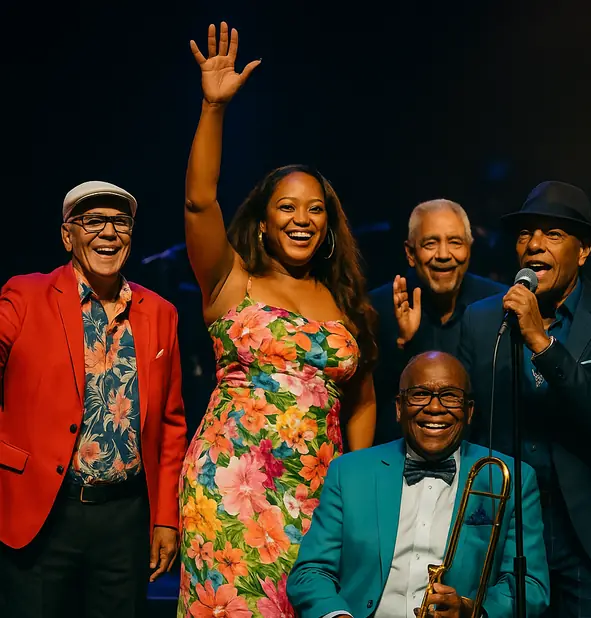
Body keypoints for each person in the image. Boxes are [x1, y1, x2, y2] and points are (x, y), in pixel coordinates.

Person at [177, 22, 378, 617]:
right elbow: (198, 202)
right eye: (286, 207)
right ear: (262, 221)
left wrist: (355, 489)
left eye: (315, 209)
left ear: (329, 225)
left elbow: (363, 399)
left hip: (319, 496)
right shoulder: (230, 282)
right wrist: (214, 108)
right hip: (230, 492)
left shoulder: (346, 304)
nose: (301, 218)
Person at [457, 181, 591, 618]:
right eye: (526, 234)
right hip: (508, 526)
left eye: (553, 235)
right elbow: (465, 418)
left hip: (589, 531)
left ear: (583, 252)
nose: (534, 245)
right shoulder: (483, 319)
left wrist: (542, 344)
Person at [0, 181, 187, 617]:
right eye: (92, 221)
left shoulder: (160, 312)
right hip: (42, 511)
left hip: (124, 519)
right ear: (68, 236)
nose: (108, 232)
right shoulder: (25, 296)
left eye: (120, 222)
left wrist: (165, 518)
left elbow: (172, 423)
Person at [288, 350, 550, 618]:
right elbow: (311, 572)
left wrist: (472, 611)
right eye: (420, 394)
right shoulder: (350, 472)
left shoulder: (509, 477)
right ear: (399, 408)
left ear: (469, 411)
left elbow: (530, 585)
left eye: (450, 396)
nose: (435, 407)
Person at [369, 199, 504, 445]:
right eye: (431, 243)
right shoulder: (375, 308)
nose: (443, 255)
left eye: (455, 242)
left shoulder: (498, 305)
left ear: (469, 249)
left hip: (480, 462)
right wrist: (401, 344)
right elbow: (367, 402)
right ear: (410, 253)